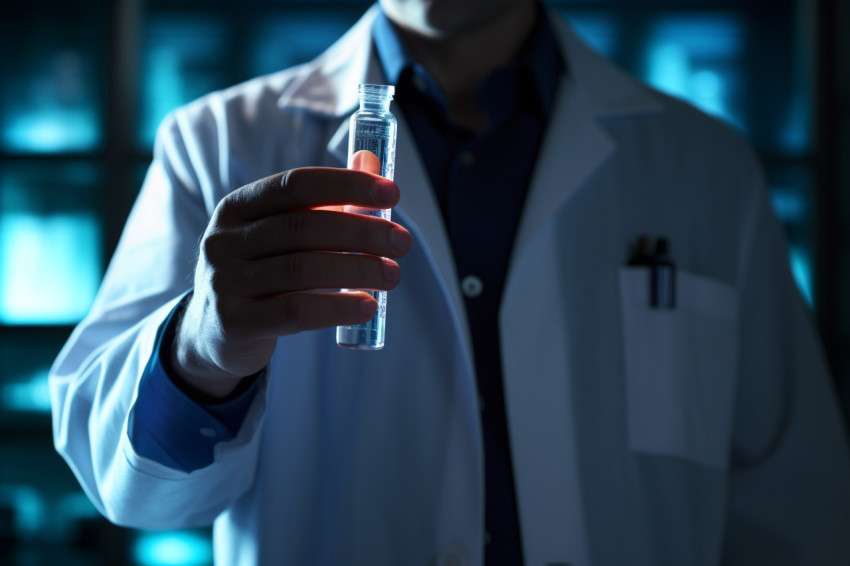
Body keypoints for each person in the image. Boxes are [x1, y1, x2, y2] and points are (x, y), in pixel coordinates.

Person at [49, 0, 850, 564]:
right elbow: (135, 493)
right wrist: (201, 351)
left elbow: (793, 507)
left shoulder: (702, 166)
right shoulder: (219, 143)